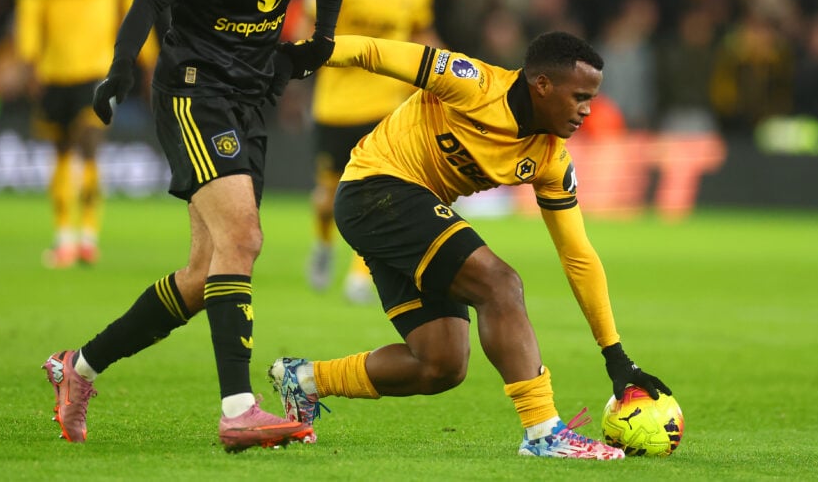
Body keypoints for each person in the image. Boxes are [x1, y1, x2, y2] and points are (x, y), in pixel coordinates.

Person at [41, 0, 348, 451]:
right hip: (193, 90)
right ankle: (239, 410)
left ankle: (78, 368)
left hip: (250, 97)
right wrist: (121, 66)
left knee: (204, 273)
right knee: (244, 236)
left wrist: (321, 38)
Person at [269, 31, 671, 459]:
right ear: (542, 85)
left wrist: (615, 355)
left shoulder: (551, 158)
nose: (588, 110)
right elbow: (376, 52)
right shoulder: (472, 83)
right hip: (376, 187)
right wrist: (302, 57)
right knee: (499, 283)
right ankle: (543, 431)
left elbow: (578, 255)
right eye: (580, 97)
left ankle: (305, 380)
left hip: (401, 212)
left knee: (440, 364)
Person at [301, 0, 441, 303]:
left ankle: (361, 273)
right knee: (327, 198)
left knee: (378, 193)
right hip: (336, 105)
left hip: (389, 107)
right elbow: (312, 30)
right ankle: (323, 244)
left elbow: (423, 35)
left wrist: (448, 74)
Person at [15, 0, 158, 268]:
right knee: (61, 150)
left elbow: (136, 6)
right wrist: (28, 62)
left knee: (89, 142)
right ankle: (64, 238)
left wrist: (148, 58)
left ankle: (89, 238)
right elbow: (29, 11)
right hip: (52, 69)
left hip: (98, 68)